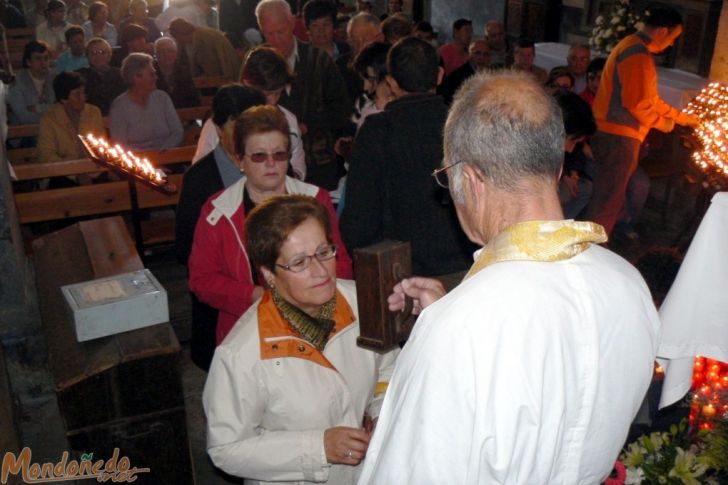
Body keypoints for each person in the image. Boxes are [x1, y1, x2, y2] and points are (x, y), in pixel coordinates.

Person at [358, 70, 662, 484]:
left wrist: (447, 326)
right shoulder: (629, 283)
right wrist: (457, 306)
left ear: (470, 179)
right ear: (556, 167)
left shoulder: (459, 329)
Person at [203, 194, 397, 483]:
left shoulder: (363, 303)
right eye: (299, 263)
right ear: (268, 273)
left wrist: (380, 412)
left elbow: (389, 366)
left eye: (323, 252)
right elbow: (226, 448)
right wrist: (318, 448)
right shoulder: (241, 353)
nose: (320, 271)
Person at [188, 105, 353, 346]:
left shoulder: (316, 199)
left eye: (279, 154)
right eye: (259, 156)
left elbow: (342, 262)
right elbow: (202, 280)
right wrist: (256, 295)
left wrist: (311, 293)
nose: (271, 164)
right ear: (239, 159)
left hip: (315, 322)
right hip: (247, 331)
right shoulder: (217, 211)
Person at [341, 37, 474, 276]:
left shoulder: (378, 131)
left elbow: (359, 220)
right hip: (465, 269)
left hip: (400, 276)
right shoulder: (465, 125)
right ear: (440, 75)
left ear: (391, 82)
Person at [585, 7, 699, 235]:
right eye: (673, 37)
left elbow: (650, 99)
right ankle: (590, 252)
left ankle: (597, 243)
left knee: (610, 197)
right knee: (607, 200)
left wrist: (681, 118)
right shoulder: (637, 53)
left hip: (617, 134)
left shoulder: (634, 47)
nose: (672, 44)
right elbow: (636, 103)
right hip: (618, 136)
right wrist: (663, 123)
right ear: (663, 31)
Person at [176, 84, 266, 371]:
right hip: (222, 312)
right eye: (236, 123)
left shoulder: (271, 167)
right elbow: (186, 250)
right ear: (217, 126)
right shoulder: (200, 180)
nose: (244, 133)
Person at [256, 0, 351, 190]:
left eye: (280, 31)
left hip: (320, 163)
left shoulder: (318, 59)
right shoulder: (256, 64)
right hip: (272, 166)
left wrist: (307, 125)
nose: (275, 40)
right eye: (268, 33)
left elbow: (342, 110)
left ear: (292, 23)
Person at [194, 46, 306, 180]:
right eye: (266, 94)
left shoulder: (289, 120)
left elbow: (298, 164)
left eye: (278, 93)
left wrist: (293, 179)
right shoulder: (223, 124)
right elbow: (201, 172)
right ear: (246, 84)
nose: (272, 101)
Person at [37, 71, 104, 186]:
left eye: (83, 93)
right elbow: (47, 155)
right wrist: (75, 173)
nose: (83, 98)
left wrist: (90, 172)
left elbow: (101, 148)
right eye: (77, 94)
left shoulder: (93, 112)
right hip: (63, 173)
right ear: (63, 99)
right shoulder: (49, 119)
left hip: (93, 170)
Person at [109, 52, 183, 149]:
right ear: (137, 78)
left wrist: (163, 152)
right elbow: (120, 144)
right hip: (136, 161)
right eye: (151, 75)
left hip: (167, 157)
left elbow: (177, 131)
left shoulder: (162, 98)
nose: (156, 77)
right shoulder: (119, 106)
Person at [167, 17, 241, 80]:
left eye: (175, 37)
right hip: (223, 75)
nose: (177, 41)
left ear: (179, 34)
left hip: (226, 78)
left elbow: (212, 70)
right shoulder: (198, 34)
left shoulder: (203, 38)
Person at [336, 12, 382, 103]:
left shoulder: (389, 64)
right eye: (354, 40)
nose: (360, 46)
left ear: (380, 38)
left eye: (366, 40)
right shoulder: (341, 66)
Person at [8, 41, 55, 126]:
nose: (43, 62)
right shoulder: (17, 83)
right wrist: (50, 116)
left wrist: (37, 108)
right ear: (28, 62)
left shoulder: (55, 78)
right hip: (25, 134)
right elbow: (23, 116)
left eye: (46, 58)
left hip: (52, 129)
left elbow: (59, 108)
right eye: (38, 58)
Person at [76, 37, 126, 115]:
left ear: (109, 56)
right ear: (87, 57)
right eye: (93, 53)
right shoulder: (80, 76)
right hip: (90, 119)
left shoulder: (121, 74)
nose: (98, 56)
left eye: (102, 52)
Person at [153, 36, 201, 109]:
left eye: (170, 51)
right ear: (156, 55)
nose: (166, 55)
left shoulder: (184, 72)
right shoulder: (150, 73)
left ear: (175, 54)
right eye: (161, 51)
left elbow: (194, 98)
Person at [438, 38, 490, 104]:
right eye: (477, 53)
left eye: (486, 54)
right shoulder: (456, 78)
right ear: (469, 55)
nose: (482, 58)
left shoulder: (493, 75)